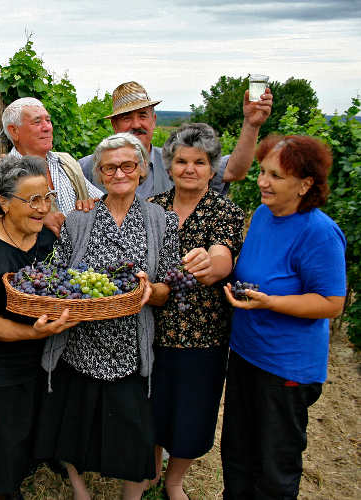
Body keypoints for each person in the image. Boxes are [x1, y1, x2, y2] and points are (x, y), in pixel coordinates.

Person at [35, 132, 180, 500]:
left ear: (142, 170)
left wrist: (151, 293)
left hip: (130, 347)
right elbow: (63, 277)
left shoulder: (162, 221)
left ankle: (131, 496)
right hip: (80, 343)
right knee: (74, 427)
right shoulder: (79, 220)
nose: (118, 173)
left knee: (133, 435)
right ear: (98, 174)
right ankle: (81, 490)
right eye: (109, 167)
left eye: (127, 165)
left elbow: (168, 287)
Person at [221, 135, 346, 500]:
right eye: (262, 172)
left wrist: (271, 303)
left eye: (275, 176)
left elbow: (331, 303)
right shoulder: (262, 215)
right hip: (246, 354)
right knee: (238, 454)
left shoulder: (318, 233)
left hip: (285, 369)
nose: (262, 182)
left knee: (274, 467)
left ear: (305, 184)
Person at [0, 155, 78, 500]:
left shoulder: (47, 243)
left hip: (43, 360)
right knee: (4, 441)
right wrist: (37, 333)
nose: (43, 208)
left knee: (30, 432)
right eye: (33, 200)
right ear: (4, 203)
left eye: (47, 197)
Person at [148, 123, 245, 500]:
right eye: (182, 161)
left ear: (212, 167)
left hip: (202, 333)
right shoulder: (152, 209)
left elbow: (223, 257)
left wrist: (211, 262)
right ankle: (151, 470)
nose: (189, 168)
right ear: (170, 165)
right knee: (153, 405)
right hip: (152, 328)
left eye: (199, 162)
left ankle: (174, 481)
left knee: (193, 411)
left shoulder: (225, 212)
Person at [79, 81, 274, 197]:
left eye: (143, 116)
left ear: (154, 121)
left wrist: (251, 124)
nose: (136, 124)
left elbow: (234, 171)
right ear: (114, 126)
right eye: (126, 118)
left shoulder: (174, 161)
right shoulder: (88, 167)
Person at [2, 97, 104, 236]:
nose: (47, 127)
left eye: (48, 120)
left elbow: (102, 200)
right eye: (37, 122)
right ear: (14, 131)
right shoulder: (2, 175)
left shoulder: (65, 162)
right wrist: (38, 218)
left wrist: (91, 205)